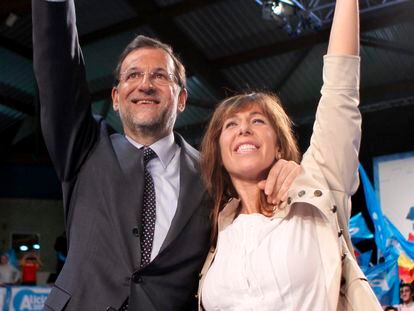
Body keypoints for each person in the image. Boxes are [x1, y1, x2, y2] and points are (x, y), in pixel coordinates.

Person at [32, 0, 300, 310]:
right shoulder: (83, 147)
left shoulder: (214, 172)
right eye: (132, 75)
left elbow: (259, 188)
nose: (145, 84)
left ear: (182, 99)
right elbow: (58, 69)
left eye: (160, 76)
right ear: (116, 99)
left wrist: (288, 172)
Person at [198, 0, 381, 310]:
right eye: (231, 124)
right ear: (218, 151)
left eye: (257, 121)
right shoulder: (216, 227)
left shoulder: (318, 185)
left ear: (279, 145)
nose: (244, 129)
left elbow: (341, 90)